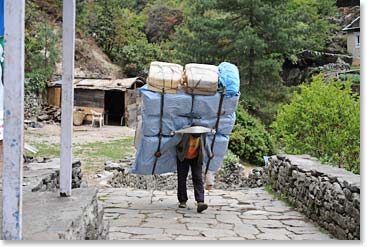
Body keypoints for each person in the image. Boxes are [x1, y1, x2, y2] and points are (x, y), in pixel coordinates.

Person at [156, 124, 213, 213]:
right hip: (183, 158)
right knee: (182, 178)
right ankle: (182, 200)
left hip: (197, 158)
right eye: (195, 135)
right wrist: (161, 152)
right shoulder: (182, 134)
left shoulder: (202, 134)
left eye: (198, 135)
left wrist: (210, 154)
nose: (197, 137)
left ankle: (200, 202)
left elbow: (206, 144)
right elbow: (171, 143)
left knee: (198, 178)